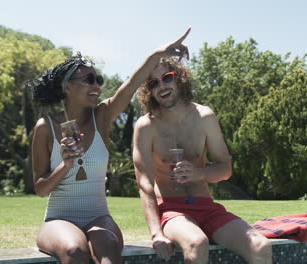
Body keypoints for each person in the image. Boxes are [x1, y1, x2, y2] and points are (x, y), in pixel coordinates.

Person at [30, 28, 190, 264]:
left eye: (99, 79)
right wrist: (65, 165)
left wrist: (158, 54)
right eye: (89, 80)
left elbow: (132, 84)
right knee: (75, 250)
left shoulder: (102, 117)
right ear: (67, 88)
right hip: (58, 220)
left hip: (98, 217)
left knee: (108, 249)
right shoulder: (45, 127)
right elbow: (40, 189)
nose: (97, 85)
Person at [133, 57, 273, 264]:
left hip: (206, 207)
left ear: (179, 78)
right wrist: (156, 234)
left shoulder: (204, 117)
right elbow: (145, 184)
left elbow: (225, 169)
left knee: (261, 246)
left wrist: (199, 173)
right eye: (153, 83)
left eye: (167, 78)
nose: (161, 86)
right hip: (171, 210)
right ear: (149, 91)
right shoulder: (146, 127)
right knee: (197, 242)